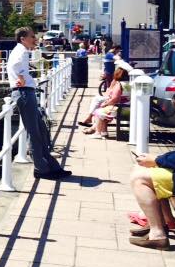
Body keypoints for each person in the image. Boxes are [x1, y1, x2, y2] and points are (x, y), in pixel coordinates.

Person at [130, 87, 175, 249]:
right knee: (139, 169)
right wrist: (157, 160)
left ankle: (157, 233)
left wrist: (158, 160)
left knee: (139, 179)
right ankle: (165, 221)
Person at [8, 26, 71, 180]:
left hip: (26, 92)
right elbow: (16, 66)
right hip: (23, 92)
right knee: (35, 132)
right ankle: (42, 169)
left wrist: (22, 76)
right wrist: (22, 76)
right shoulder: (21, 51)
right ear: (23, 38)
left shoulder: (21, 50)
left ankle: (50, 166)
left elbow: (16, 66)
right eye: (31, 37)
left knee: (40, 130)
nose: (35, 39)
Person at [84, 67, 127, 138]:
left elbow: (114, 99)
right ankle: (104, 133)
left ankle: (97, 133)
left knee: (98, 112)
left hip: (120, 108)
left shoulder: (119, 85)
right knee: (103, 111)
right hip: (127, 108)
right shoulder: (129, 84)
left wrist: (105, 104)